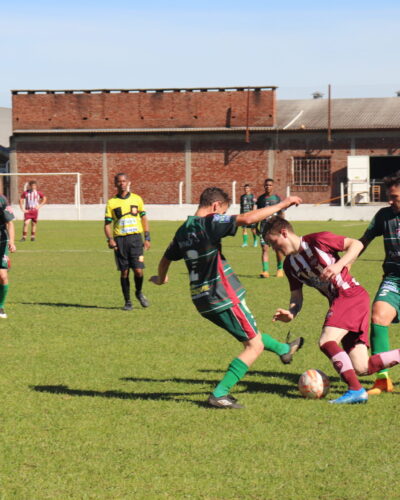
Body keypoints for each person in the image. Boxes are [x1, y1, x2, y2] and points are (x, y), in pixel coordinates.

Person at [150, 187, 304, 409]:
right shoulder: (210, 223)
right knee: (254, 346)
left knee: (250, 333)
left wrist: (161, 278)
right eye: (223, 210)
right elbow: (247, 218)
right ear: (215, 207)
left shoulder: (182, 230)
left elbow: (165, 260)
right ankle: (220, 394)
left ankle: (283, 350)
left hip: (201, 300)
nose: (222, 214)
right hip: (222, 295)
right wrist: (283, 204)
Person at [263, 216, 400, 404]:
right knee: (361, 367)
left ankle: (355, 390)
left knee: (327, 341)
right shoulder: (289, 266)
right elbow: (296, 297)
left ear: (284, 233)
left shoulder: (317, 240)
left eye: (273, 242)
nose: (273, 248)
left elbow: (357, 245)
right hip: (341, 301)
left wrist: (338, 265)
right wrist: (291, 312)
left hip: (350, 295)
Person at [359, 172, 400, 395]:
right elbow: (363, 241)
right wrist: (343, 264)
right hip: (394, 279)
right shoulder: (384, 215)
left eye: (394, 197)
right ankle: (383, 379)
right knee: (378, 316)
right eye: (389, 196)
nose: (390, 201)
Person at [104, 173, 150, 310]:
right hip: (120, 240)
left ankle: (139, 292)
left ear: (128, 182)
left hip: (136, 239)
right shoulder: (111, 203)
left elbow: (144, 219)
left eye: (124, 181)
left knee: (138, 270)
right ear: (115, 184)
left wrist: (147, 237)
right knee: (124, 272)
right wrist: (110, 239)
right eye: (119, 182)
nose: (122, 184)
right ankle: (127, 301)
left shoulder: (137, 199)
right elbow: (107, 224)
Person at [256, 178, 285, 278]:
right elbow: (257, 213)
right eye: (266, 185)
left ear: (273, 186)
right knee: (264, 249)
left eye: (270, 185)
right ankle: (265, 271)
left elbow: (281, 213)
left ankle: (280, 269)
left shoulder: (277, 199)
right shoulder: (260, 199)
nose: (268, 187)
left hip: (275, 228)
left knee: (277, 249)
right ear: (264, 186)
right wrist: (255, 226)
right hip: (264, 229)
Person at [0, 194, 16, 318]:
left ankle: (0, 306)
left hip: (1, 241)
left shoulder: (2, 200)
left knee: (2, 276)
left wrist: (11, 242)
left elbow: (10, 223)